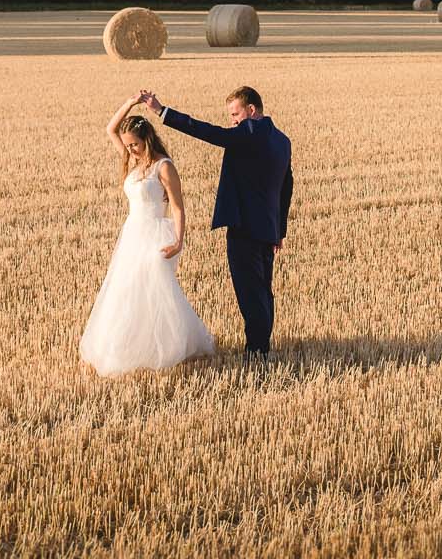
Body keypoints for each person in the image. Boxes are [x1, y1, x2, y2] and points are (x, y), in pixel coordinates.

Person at [144, 85, 292, 358]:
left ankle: (257, 351)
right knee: (263, 291)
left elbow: (208, 132)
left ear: (251, 110)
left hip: (244, 228)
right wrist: (279, 230)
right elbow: (287, 187)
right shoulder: (282, 140)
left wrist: (162, 112)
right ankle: (262, 345)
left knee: (250, 294)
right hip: (268, 229)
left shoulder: (248, 132)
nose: (232, 121)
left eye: (235, 114)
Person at [77, 95, 216, 378]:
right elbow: (110, 129)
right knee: (125, 290)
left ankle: (167, 345)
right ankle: (126, 346)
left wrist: (178, 241)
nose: (130, 150)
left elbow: (177, 206)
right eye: (128, 145)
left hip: (156, 234)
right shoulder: (132, 161)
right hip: (131, 234)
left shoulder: (163, 166)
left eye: (135, 145)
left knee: (156, 290)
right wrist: (130, 103)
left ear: (147, 139)